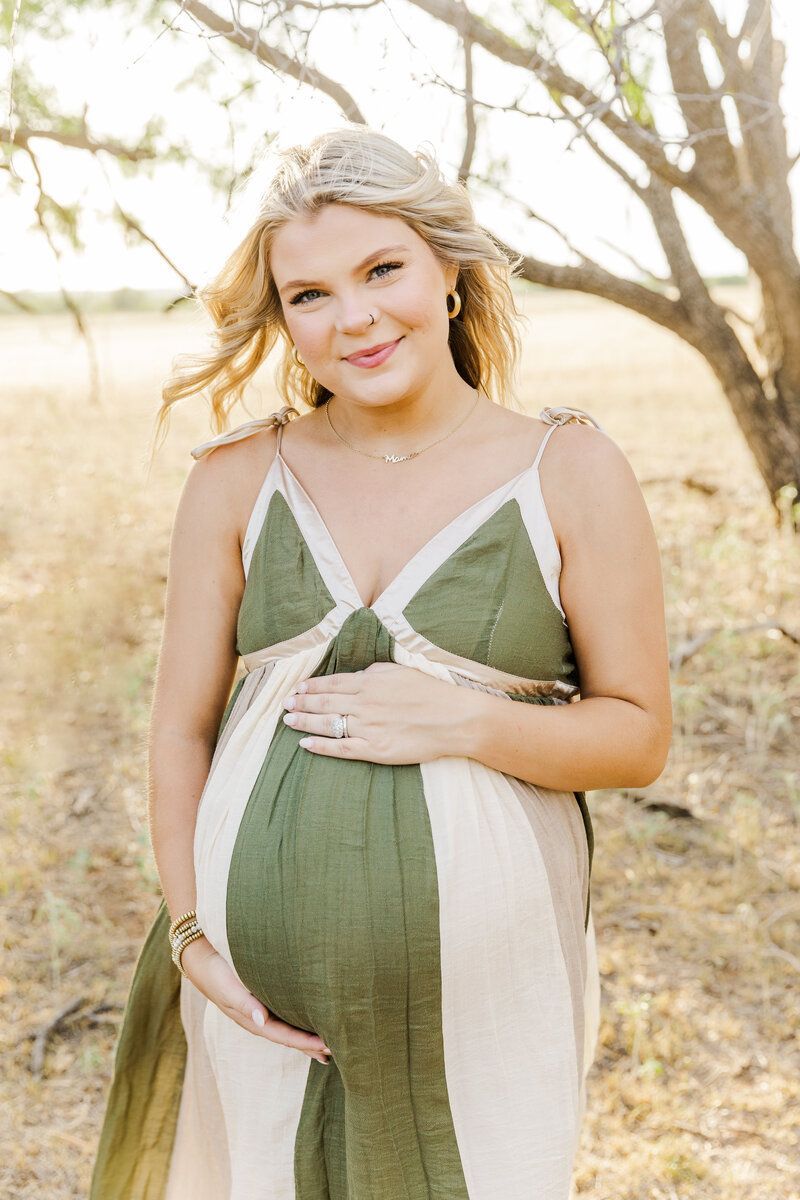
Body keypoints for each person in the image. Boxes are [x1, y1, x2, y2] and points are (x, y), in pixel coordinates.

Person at [89, 125, 672, 1200]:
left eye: (381, 270)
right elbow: (179, 726)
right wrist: (192, 937)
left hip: (484, 1024)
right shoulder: (236, 478)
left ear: (448, 271)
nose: (352, 317)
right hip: (254, 1019)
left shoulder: (568, 468)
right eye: (308, 295)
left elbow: (636, 736)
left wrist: (465, 721)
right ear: (283, 319)